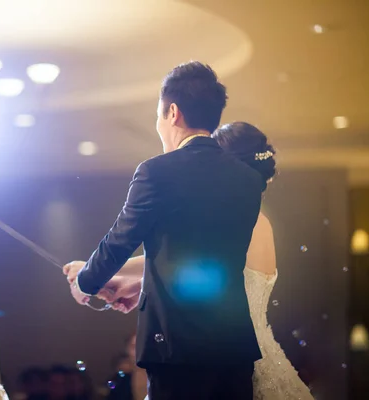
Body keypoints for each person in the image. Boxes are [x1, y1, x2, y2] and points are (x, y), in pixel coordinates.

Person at [69, 122, 315, 399]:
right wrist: (139, 285)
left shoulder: (237, 221)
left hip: (215, 360)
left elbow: (190, 264)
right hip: (244, 353)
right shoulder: (259, 221)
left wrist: (90, 272)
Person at [64, 62, 263, 399]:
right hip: (233, 343)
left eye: (158, 116)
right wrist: (143, 287)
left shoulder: (156, 172)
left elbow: (119, 240)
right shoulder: (249, 180)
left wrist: (86, 281)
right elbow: (199, 257)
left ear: (172, 113)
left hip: (175, 343)